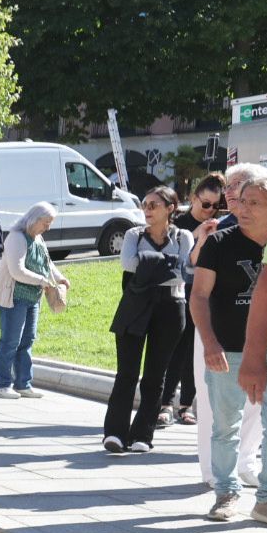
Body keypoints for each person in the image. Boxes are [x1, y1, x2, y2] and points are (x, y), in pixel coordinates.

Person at [192, 176, 267, 521]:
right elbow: (198, 296)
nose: (242, 209)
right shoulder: (219, 243)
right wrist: (210, 343)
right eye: (240, 201)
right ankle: (226, 492)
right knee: (226, 426)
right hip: (227, 350)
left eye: (254, 203)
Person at [103, 186, 194, 453]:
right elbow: (127, 264)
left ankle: (143, 434)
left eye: (154, 205)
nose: (147, 210)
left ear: (170, 208)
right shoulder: (133, 233)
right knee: (127, 373)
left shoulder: (183, 235)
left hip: (170, 307)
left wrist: (149, 264)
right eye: (145, 204)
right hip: (136, 305)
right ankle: (115, 433)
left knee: (155, 375)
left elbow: (185, 272)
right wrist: (168, 263)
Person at [161, 174, 225, 426]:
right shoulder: (178, 223)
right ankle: (165, 402)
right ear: (194, 197)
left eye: (215, 206)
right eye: (206, 203)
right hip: (179, 293)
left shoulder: (220, 225)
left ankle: (186, 404)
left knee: (194, 349)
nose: (210, 210)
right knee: (174, 347)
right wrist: (196, 234)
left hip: (204, 295)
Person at [0, 202, 67, 399]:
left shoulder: (38, 238)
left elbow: (46, 262)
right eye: (46, 222)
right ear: (34, 219)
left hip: (33, 297)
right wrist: (43, 281)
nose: (48, 227)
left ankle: (23, 383)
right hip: (14, 298)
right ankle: (1, 385)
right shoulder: (16, 237)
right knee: (10, 341)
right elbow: (17, 271)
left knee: (27, 341)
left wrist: (59, 278)